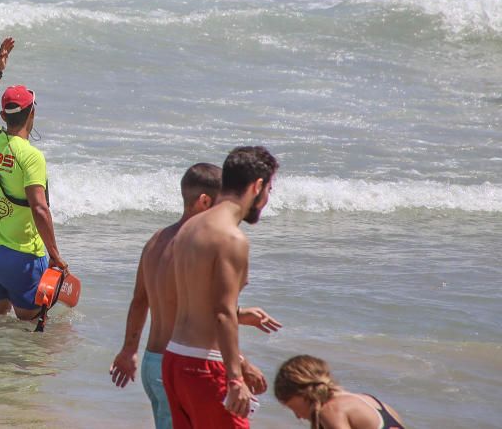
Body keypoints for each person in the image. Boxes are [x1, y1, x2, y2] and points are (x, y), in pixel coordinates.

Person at [110, 163, 281, 428]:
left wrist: (129, 349)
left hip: (151, 363)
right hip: (179, 361)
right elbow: (197, 313)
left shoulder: (157, 240)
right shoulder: (191, 246)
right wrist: (242, 365)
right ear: (204, 202)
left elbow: (142, 300)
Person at [163, 146, 279, 429]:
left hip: (175, 360)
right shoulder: (231, 238)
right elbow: (222, 313)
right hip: (205, 366)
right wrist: (235, 376)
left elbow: (193, 299)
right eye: (269, 189)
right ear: (258, 186)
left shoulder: (189, 229)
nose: (267, 199)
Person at [0, 37, 67, 321]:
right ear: (32, 114)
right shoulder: (31, 157)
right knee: (34, 338)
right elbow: (40, 209)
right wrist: (55, 255)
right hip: (23, 258)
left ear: (4, 115)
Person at [275, 355, 407, 429]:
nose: (298, 416)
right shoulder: (371, 401)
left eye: (293, 407)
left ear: (302, 394)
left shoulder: (331, 410)